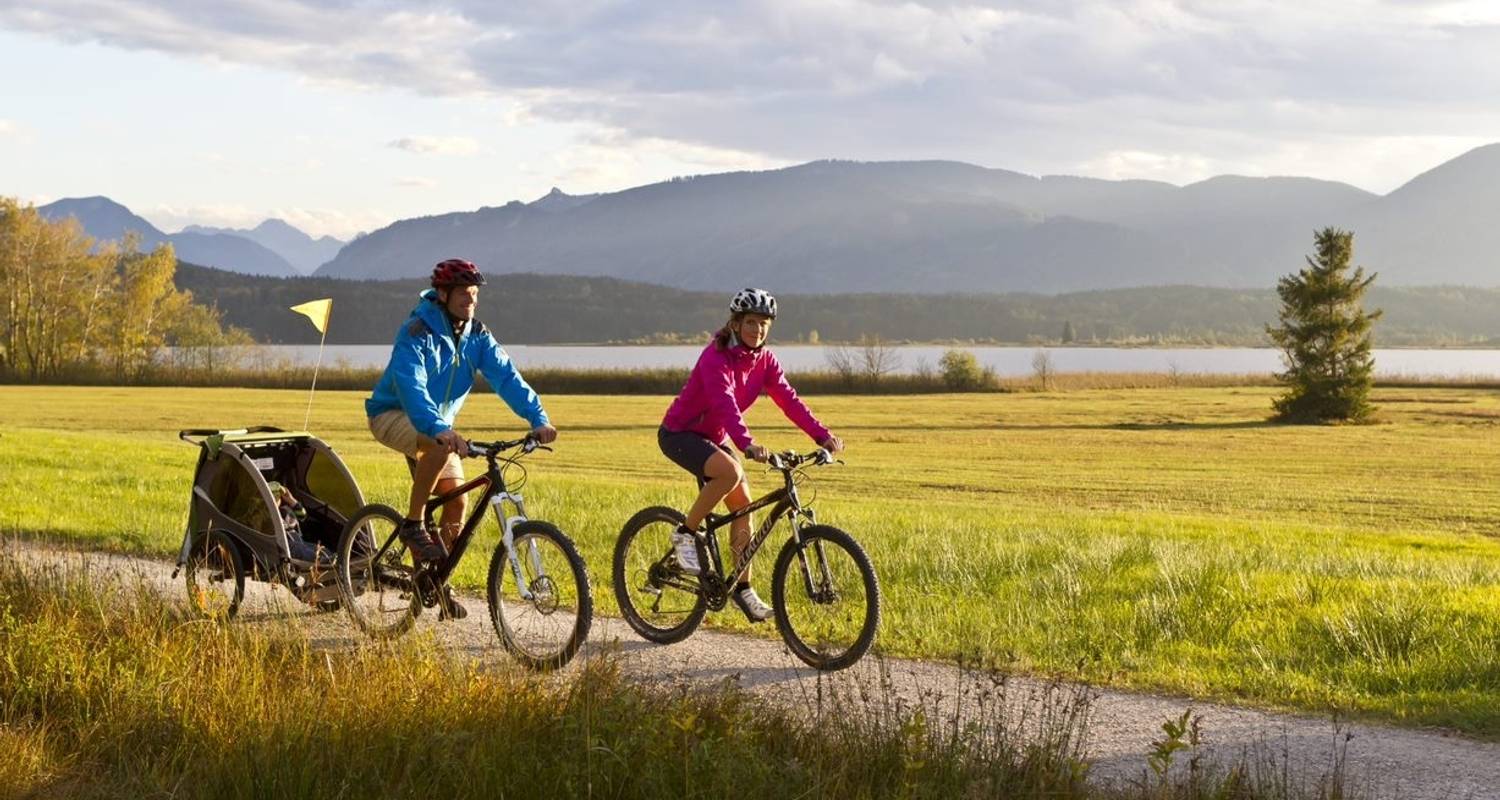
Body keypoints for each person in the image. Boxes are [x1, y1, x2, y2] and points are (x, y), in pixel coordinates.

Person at [365, 258, 557, 619]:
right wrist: (439, 429)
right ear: (442, 294)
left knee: (456, 503)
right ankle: (413, 524)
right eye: (464, 294)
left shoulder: (477, 336)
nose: (471, 300)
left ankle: (437, 580)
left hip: (437, 427)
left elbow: (507, 377)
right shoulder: (417, 331)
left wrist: (538, 418)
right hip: (393, 414)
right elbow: (412, 386)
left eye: (474, 294)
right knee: (436, 446)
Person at [658, 288, 843, 622]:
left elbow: (790, 401)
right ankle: (685, 534)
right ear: (736, 323)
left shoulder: (765, 361)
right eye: (751, 322)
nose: (757, 330)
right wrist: (747, 444)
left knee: (743, 505)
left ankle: (742, 590)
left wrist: (822, 435)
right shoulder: (716, 357)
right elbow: (724, 403)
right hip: (679, 434)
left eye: (764, 324)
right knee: (730, 472)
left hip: (712, 439)